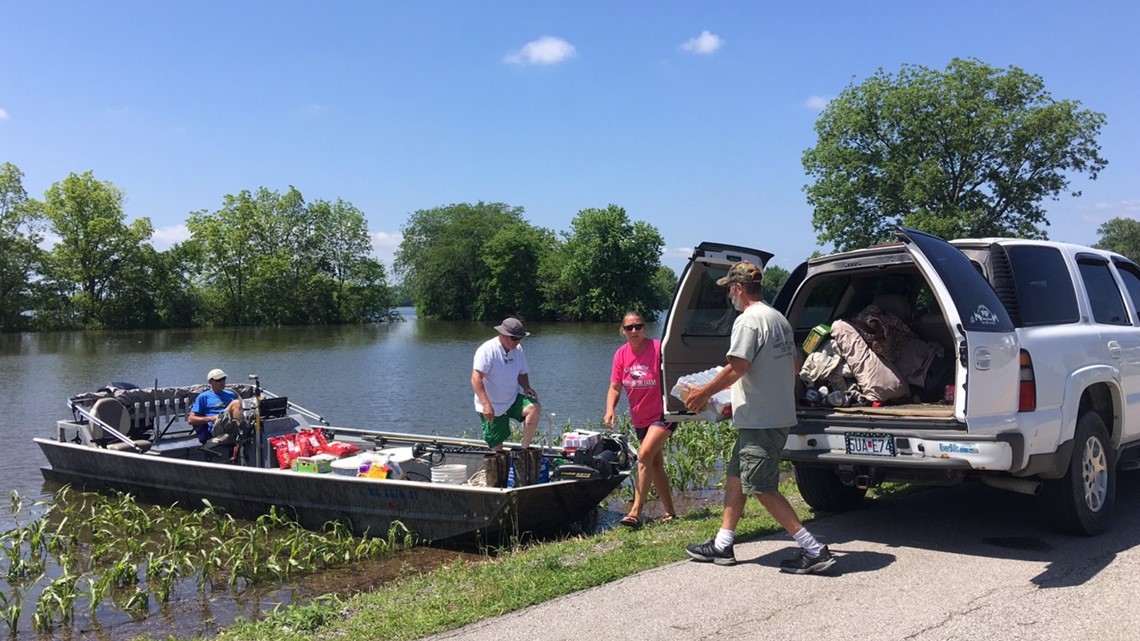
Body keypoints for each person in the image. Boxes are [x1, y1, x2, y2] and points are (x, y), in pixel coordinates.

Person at [683, 261, 836, 574]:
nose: (729, 295)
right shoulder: (777, 318)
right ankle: (723, 544)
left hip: (761, 420)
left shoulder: (748, 321)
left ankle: (813, 549)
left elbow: (737, 367)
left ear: (739, 289)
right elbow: (793, 367)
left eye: (729, 289)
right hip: (773, 415)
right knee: (737, 477)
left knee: (761, 487)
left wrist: (702, 393)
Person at [603, 311, 676, 527]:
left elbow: (678, 370)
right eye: (629, 327)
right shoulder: (621, 355)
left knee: (644, 454)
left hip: (664, 413)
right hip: (640, 417)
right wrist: (610, 410)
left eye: (638, 326)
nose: (634, 330)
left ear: (645, 328)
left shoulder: (658, 349)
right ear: (622, 331)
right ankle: (670, 512)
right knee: (655, 463)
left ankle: (635, 512)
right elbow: (615, 387)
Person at [471, 317, 541, 451]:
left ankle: (524, 451)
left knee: (534, 408)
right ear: (503, 335)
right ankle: (498, 468)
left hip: (512, 400)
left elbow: (522, 372)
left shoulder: (518, 349)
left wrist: (526, 387)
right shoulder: (487, 350)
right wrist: (486, 404)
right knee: (497, 450)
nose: (517, 341)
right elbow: (476, 378)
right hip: (492, 406)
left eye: (520, 338)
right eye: (514, 338)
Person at [187, 368, 246, 445]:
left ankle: (241, 430)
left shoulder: (230, 394)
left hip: (230, 422)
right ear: (210, 382)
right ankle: (241, 430)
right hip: (216, 425)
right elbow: (191, 420)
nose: (222, 382)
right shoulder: (203, 397)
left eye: (223, 379)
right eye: (218, 380)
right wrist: (212, 419)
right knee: (236, 403)